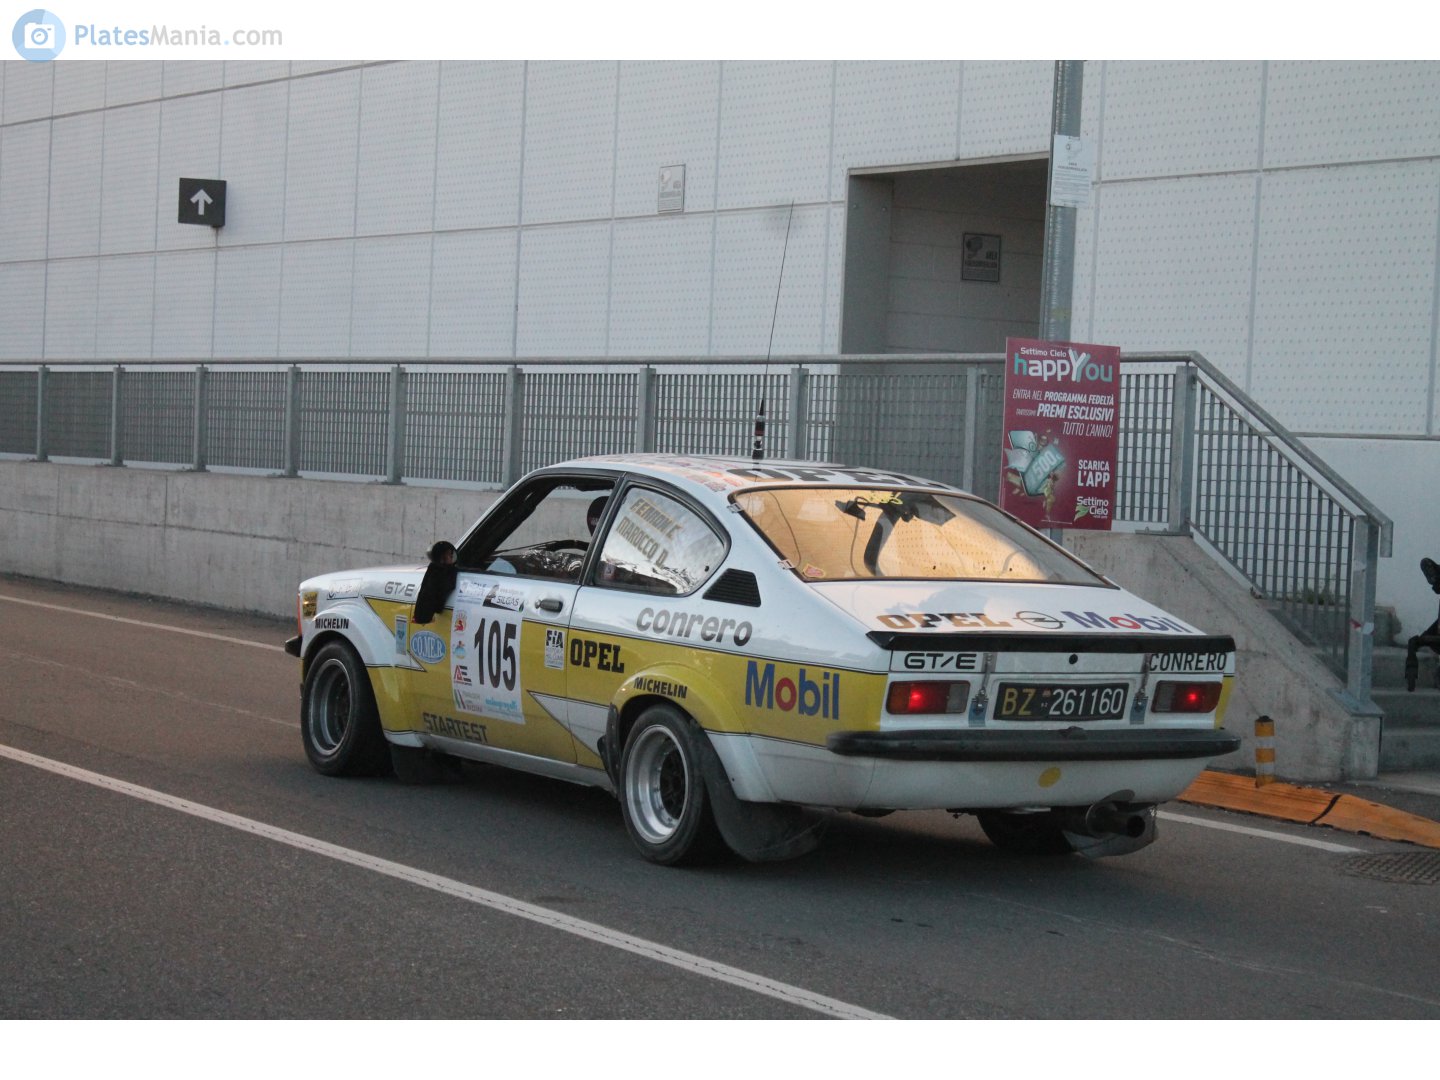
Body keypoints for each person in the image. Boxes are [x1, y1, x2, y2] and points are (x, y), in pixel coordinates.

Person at [412, 540, 457, 624]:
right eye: (448, 554)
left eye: (451, 554)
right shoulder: (437, 573)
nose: (451, 556)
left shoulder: (439, 572)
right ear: (441, 558)